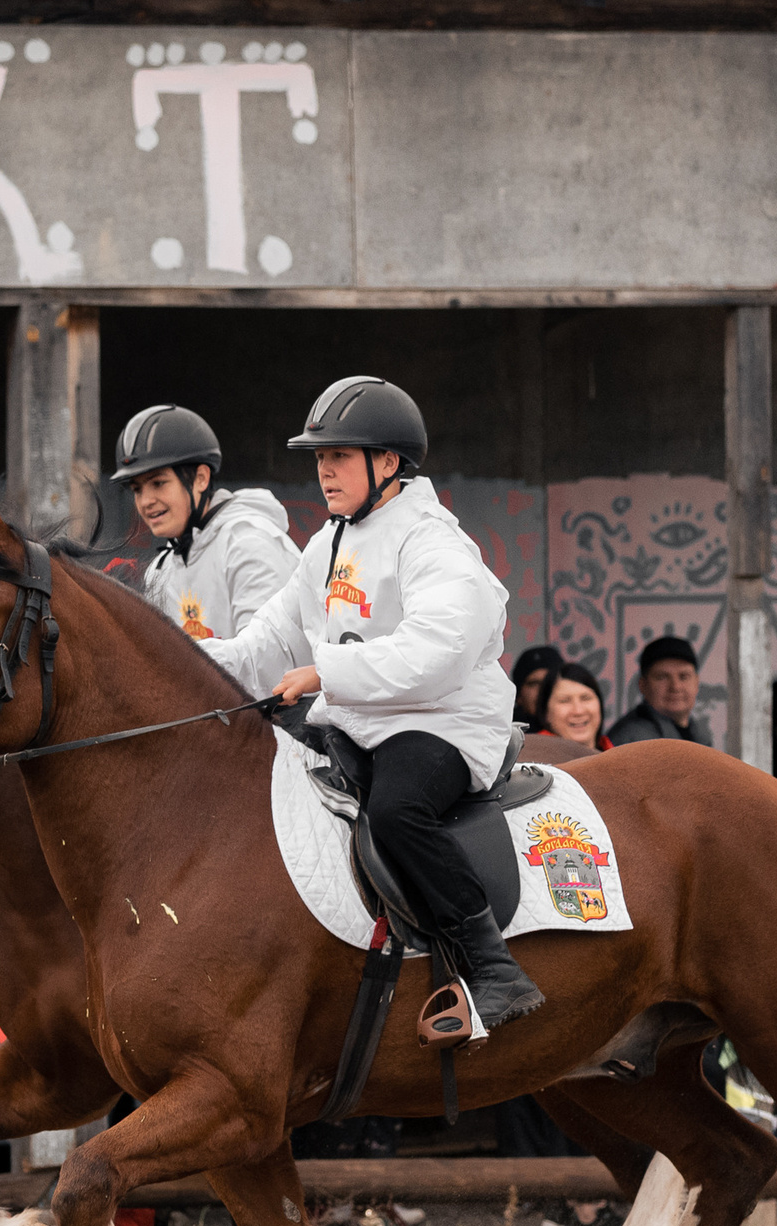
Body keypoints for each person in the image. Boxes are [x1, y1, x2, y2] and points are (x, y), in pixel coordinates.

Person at [205, 375, 541, 1032]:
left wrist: (323, 672)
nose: (325, 471)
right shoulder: (328, 543)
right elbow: (263, 646)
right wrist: (171, 659)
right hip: (359, 718)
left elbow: (439, 650)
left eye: (340, 456)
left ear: (387, 463)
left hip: (443, 721)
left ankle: (494, 967)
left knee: (396, 810)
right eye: (320, 458)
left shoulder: (433, 541)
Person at [114, 405, 298, 642]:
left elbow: (268, 655)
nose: (146, 501)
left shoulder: (249, 543)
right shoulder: (161, 568)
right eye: (137, 490)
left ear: (201, 478)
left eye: (158, 483)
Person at [605, 635, 709, 746]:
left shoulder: (700, 734)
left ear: (697, 682)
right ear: (643, 685)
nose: (675, 687)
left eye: (684, 677)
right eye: (662, 677)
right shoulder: (630, 740)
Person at [531, 660, 611, 751]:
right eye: (564, 701)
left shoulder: (617, 755)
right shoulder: (530, 755)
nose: (578, 711)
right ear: (546, 712)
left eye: (586, 698)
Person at [509, 646, 565, 725]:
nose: (543, 689)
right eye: (534, 684)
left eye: (551, 682)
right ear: (518, 696)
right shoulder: (502, 729)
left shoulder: (580, 727)